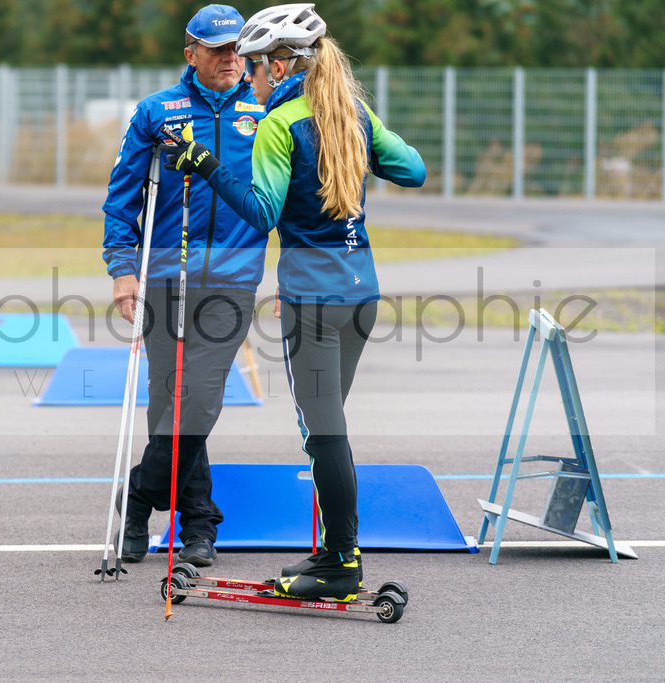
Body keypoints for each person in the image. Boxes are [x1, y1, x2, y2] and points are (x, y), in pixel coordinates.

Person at [164, 3, 426, 598]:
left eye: (255, 65)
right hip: (362, 293)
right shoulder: (351, 110)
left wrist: (206, 165)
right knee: (328, 428)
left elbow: (262, 211)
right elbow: (413, 171)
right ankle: (335, 551)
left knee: (323, 431)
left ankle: (342, 563)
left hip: (313, 300)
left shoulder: (279, 124)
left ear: (280, 66)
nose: (249, 75)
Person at [102, 4, 268, 567]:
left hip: (234, 279)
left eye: (237, 48)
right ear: (191, 54)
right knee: (167, 401)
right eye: (217, 49)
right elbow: (122, 197)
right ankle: (197, 525)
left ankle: (138, 497)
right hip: (164, 278)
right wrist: (123, 270)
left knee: (200, 396)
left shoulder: (265, 108)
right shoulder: (157, 111)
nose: (230, 58)